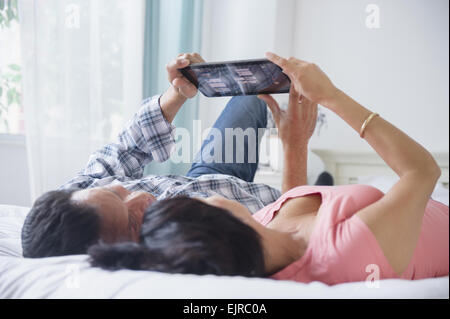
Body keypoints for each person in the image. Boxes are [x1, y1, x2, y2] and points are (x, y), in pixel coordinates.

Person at [88, 52, 449, 283]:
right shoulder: (345, 248)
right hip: (430, 210)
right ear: (218, 220)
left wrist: (295, 144)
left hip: (367, 206)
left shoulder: (259, 238)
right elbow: (423, 173)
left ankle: (326, 183)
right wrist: (331, 96)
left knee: (252, 105)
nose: (202, 196)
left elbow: (289, 214)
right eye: (196, 202)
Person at [22, 52, 330, 258]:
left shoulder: (77, 197)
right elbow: (293, 232)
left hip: (203, 175)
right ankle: (320, 183)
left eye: (117, 190)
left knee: (248, 97)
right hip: (262, 205)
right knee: (324, 199)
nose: (139, 194)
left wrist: (178, 92)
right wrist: (296, 147)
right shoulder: (182, 252)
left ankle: (319, 180)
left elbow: (127, 147)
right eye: (132, 222)